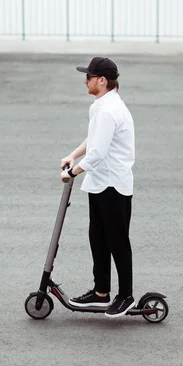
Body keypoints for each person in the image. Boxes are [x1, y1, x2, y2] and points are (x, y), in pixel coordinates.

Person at [59, 56, 136, 318]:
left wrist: (73, 171)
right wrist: (73, 155)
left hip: (113, 184)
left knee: (117, 242)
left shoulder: (109, 109)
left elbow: (99, 152)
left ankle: (125, 296)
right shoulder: (101, 105)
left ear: (102, 81)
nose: (85, 80)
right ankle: (101, 292)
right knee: (98, 239)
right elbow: (93, 140)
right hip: (101, 182)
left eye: (89, 77)